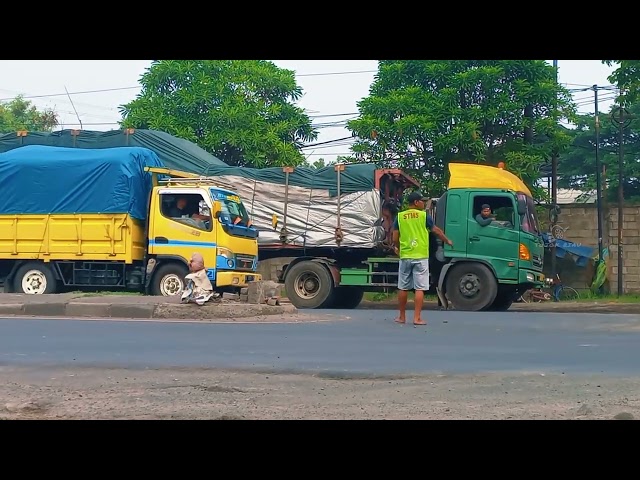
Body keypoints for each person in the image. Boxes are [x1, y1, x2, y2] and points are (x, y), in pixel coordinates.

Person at [392, 191, 453, 326]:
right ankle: (417, 318)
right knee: (420, 288)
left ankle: (401, 317)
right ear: (416, 202)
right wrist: (447, 240)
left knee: (403, 287)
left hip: (406, 256)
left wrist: (397, 248)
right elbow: (436, 231)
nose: (423, 203)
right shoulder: (424, 216)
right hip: (420, 256)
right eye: (421, 201)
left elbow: (395, 237)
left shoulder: (400, 217)